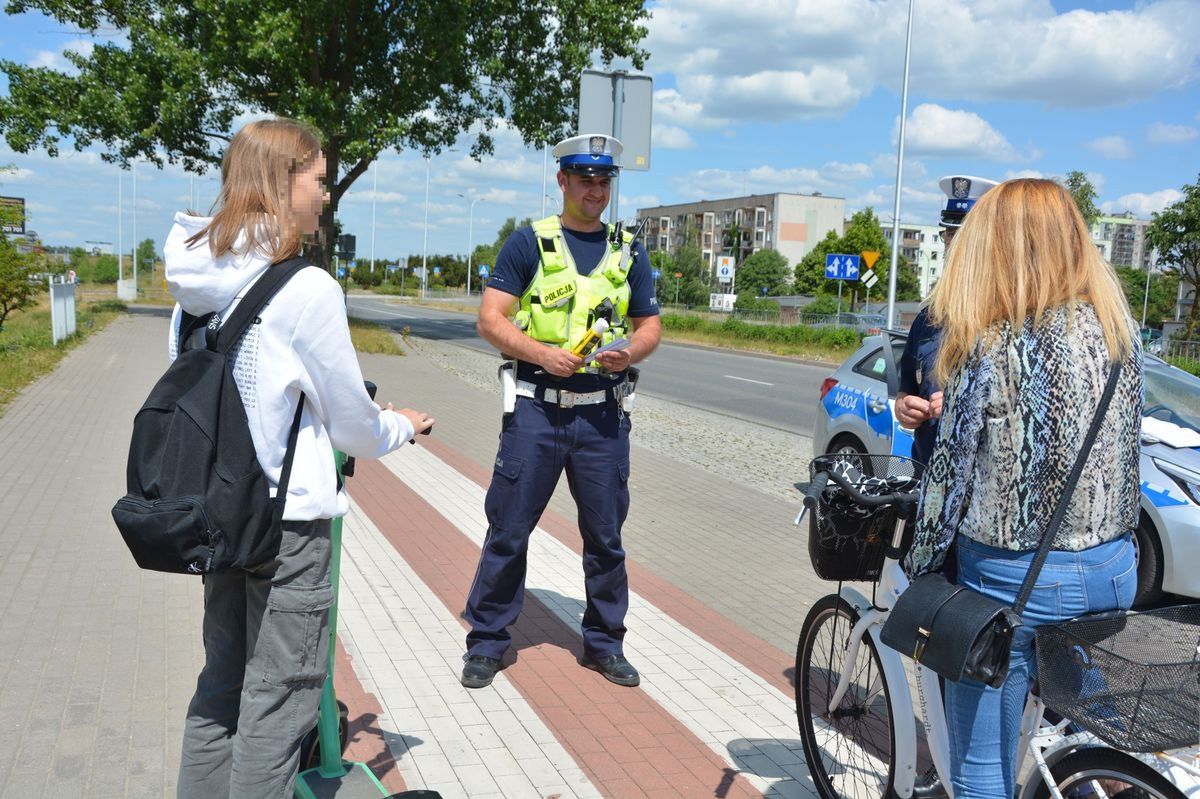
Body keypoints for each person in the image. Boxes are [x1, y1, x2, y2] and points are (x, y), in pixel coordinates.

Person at [166, 118, 434, 798]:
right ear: (284, 180)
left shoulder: (191, 293)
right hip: (287, 533)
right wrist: (399, 424)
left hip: (217, 520)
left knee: (220, 689)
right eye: (318, 182)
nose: (323, 198)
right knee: (278, 704)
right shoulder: (306, 289)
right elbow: (352, 426)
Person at [903, 178, 1143, 799]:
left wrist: (920, 561)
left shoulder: (987, 343)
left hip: (1017, 579)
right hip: (1112, 570)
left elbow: (949, 480)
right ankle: (1108, 777)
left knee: (980, 766)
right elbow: (1126, 459)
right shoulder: (1118, 333)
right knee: (1087, 722)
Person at [461, 133, 662, 690]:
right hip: (537, 412)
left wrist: (630, 353)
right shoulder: (529, 243)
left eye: (604, 181)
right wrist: (541, 354)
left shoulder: (629, 250)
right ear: (563, 182)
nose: (595, 190)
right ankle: (487, 643)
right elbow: (490, 320)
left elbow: (651, 327)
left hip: (601, 416)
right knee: (509, 530)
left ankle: (604, 644)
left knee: (606, 539)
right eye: (584, 179)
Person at [895, 175, 999, 468]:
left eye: (963, 238)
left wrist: (960, 404)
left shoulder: (1007, 320)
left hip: (977, 491)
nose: (953, 247)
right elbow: (907, 390)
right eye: (949, 236)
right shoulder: (928, 318)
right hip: (925, 478)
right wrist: (904, 408)